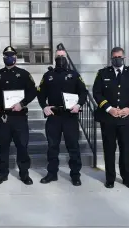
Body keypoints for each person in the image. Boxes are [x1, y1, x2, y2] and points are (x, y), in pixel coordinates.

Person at [93, 47, 129, 189]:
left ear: (124, 57)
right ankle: (110, 178)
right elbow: (97, 93)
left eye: (119, 57)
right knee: (109, 149)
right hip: (108, 119)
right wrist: (109, 109)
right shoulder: (103, 73)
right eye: (114, 57)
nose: (117, 59)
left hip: (126, 119)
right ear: (111, 58)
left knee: (125, 149)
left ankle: (127, 178)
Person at [37, 48, 88, 186]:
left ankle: (75, 175)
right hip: (54, 116)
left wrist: (79, 105)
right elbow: (40, 93)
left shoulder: (74, 75)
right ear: (54, 58)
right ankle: (52, 173)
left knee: (73, 147)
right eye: (58, 56)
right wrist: (44, 106)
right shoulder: (48, 75)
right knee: (52, 146)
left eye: (62, 56)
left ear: (66, 58)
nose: (60, 58)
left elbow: (83, 92)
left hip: (69, 116)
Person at [0, 46, 37, 185]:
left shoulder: (24, 74)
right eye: (6, 56)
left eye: (11, 55)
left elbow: (32, 91)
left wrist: (22, 104)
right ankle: (2, 174)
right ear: (3, 57)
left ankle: (24, 174)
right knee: (3, 147)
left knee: (22, 146)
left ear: (16, 57)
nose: (9, 58)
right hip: (3, 117)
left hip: (19, 116)